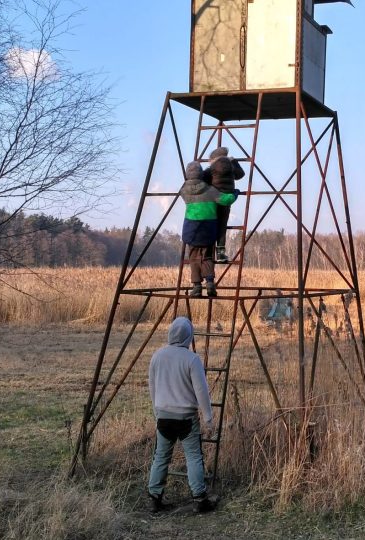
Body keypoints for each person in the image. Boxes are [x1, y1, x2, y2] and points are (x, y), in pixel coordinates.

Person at [147, 316, 217, 513]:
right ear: (189, 336)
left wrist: (156, 410)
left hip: (163, 415)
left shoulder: (157, 356)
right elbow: (201, 391)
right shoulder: (191, 359)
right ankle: (199, 498)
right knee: (193, 457)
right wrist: (208, 418)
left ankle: (154, 498)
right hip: (186, 417)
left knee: (160, 457)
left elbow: (152, 386)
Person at [180, 161, 239, 297]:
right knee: (207, 257)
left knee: (194, 258)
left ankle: (196, 287)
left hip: (191, 229)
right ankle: (210, 283)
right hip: (208, 229)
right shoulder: (210, 190)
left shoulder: (183, 190)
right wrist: (235, 193)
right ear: (201, 174)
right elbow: (226, 200)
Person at [203, 147, 245, 263]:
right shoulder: (231, 167)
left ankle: (208, 253)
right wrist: (234, 161)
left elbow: (203, 179)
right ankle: (221, 255)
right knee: (222, 227)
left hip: (214, 201)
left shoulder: (211, 169)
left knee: (211, 225)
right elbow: (241, 174)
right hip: (227, 201)